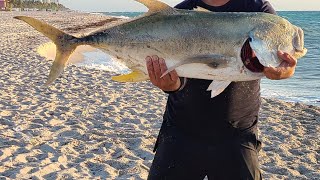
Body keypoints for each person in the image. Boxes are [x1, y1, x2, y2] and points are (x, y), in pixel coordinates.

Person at [145, 0, 298, 179]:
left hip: (237, 134)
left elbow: (284, 58)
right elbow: (174, 67)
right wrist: (171, 86)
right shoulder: (181, 12)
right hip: (180, 130)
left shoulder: (257, 9)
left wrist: (284, 71)